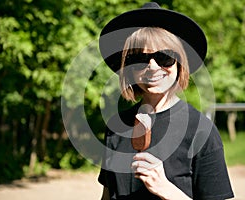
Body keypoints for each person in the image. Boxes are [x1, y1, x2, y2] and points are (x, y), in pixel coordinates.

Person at [98, 2, 234, 200]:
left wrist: (165, 189)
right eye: (139, 59)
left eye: (164, 57)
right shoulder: (116, 126)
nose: (152, 67)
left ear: (180, 63)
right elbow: (107, 195)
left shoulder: (200, 130)